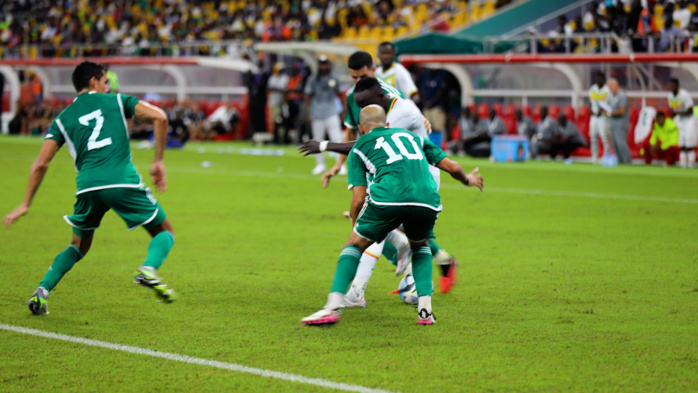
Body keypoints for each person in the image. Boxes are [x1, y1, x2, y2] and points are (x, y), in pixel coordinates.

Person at [2, 61, 176, 315]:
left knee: (78, 245)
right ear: (94, 81)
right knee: (165, 232)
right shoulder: (118, 101)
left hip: (87, 188)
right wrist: (158, 160)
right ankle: (149, 269)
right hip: (121, 181)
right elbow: (160, 117)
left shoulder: (62, 118)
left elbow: (41, 163)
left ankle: (42, 291)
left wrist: (26, 203)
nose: (108, 87)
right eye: (106, 82)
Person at [300, 105, 483, 326]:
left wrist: (356, 229)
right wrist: (467, 180)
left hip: (388, 197)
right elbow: (451, 166)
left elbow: (358, 199)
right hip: (427, 198)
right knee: (421, 245)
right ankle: (425, 311)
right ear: (387, 124)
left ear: (360, 128)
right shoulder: (412, 137)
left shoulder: (359, 146)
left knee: (354, 246)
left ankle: (331, 308)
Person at [303, 55, 345, 175]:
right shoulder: (312, 79)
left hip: (332, 112)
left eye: (325, 63)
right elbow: (308, 96)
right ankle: (320, 164)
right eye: (321, 64)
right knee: (317, 140)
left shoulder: (334, 78)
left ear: (328, 65)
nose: (323, 66)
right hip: (317, 113)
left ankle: (340, 165)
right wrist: (307, 112)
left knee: (336, 139)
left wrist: (342, 110)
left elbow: (340, 94)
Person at [667, 78, 697, 167]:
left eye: (673, 85)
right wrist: (673, 115)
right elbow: (671, 110)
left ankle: (691, 166)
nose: (671, 87)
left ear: (677, 85)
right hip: (681, 121)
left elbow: (690, 110)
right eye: (670, 85)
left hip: (690, 120)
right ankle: (683, 166)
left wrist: (677, 113)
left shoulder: (684, 95)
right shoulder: (670, 96)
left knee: (689, 145)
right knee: (682, 144)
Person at [607, 78, 632, 164]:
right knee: (615, 145)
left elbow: (622, 111)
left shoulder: (622, 96)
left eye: (610, 87)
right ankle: (620, 162)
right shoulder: (612, 96)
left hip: (621, 125)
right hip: (613, 125)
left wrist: (610, 113)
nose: (609, 89)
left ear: (615, 86)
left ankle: (627, 162)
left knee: (621, 144)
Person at [418, 68, 448, 139]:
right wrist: (425, 102)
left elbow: (440, 92)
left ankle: (442, 144)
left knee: (438, 127)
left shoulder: (439, 78)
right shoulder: (425, 78)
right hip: (427, 107)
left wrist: (431, 102)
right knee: (427, 127)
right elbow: (423, 91)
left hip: (436, 107)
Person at [589, 72, 611, 164]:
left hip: (603, 117)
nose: (598, 80)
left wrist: (602, 111)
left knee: (604, 137)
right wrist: (592, 111)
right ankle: (594, 157)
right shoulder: (592, 89)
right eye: (597, 78)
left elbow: (609, 105)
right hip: (594, 116)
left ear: (603, 79)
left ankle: (606, 156)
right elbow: (590, 102)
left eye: (600, 78)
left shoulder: (607, 90)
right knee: (593, 137)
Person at [267, 62, 288, 134]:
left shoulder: (284, 77)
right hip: (274, 102)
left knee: (282, 119)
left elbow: (284, 88)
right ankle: (274, 135)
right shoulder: (273, 77)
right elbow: (270, 88)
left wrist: (277, 88)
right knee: (274, 119)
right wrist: (278, 89)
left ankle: (281, 135)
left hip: (282, 102)